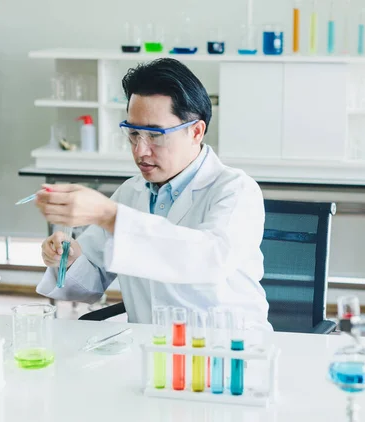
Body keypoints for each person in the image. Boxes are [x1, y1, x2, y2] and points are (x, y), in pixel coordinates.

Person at [35, 58, 271, 330]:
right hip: (150, 351)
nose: (140, 150)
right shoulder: (131, 192)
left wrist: (109, 216)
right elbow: (88, 285)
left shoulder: (235, 189)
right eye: (133, 133)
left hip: (225, 350)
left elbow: (209, 260)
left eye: (155, 136)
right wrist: (68, 258)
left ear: (196, 131)